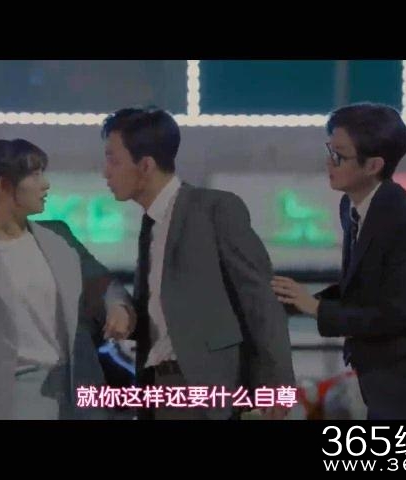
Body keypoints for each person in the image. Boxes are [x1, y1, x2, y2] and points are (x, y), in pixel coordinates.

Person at [271, 103, 406, 419]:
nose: (328, 162)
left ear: (373, 165)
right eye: (329, 150)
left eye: (339, 155)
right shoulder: (352, 206)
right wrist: (297, 301)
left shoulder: (403, 215)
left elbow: (398, 314)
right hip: (384, 382)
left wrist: (315, 308)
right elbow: (362, 287)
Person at [102, 107, 295, 420]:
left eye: (113, 160)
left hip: (204, 390)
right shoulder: (150, 226)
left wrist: (275, 382)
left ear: (146, 165)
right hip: (156, 388)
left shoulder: (214, 209)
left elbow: (260, 298)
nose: (106, 173)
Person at [0, 138, 135, 419]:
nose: (46, 184)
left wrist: (117, 306)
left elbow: (103, 283)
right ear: (3, 186)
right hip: (11, 401)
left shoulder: (59, 237)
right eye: (35, 174)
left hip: (77, 392)